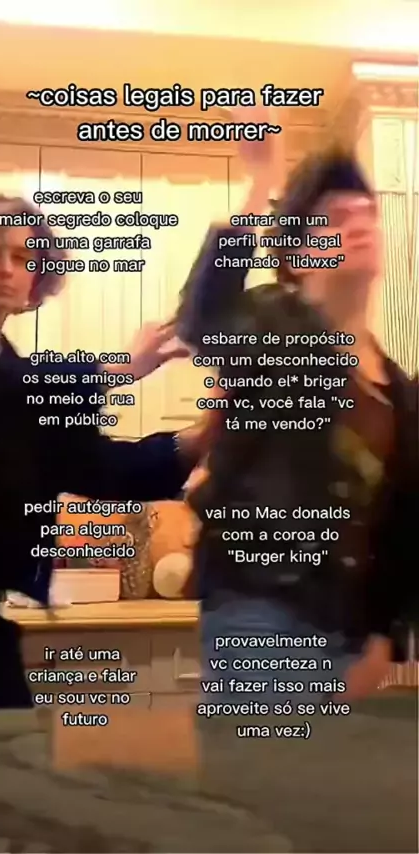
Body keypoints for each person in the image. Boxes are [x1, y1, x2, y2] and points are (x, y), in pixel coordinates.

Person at [176, 109, 418, 851]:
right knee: (262, 816)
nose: (357, 223)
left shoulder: (398, 389)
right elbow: (202, 316)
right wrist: (262, 184)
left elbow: (403, 528)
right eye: (334, 217)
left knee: (330, 824)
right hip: (260, 611)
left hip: (347, 630)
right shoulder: (269, 327)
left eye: (365, 212)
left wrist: (386, 639)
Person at [0, 191, 209, 712]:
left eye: (22, 257)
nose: (5, 268)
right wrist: (116, 371)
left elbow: (95, 467)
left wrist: (195, 440)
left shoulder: (11, 366)